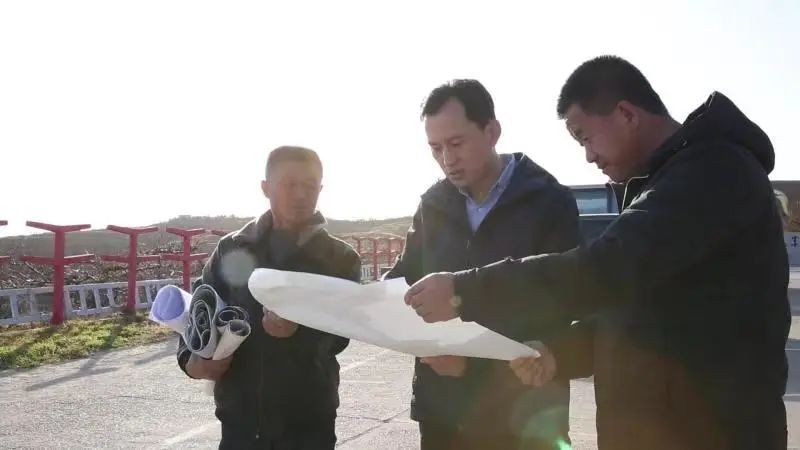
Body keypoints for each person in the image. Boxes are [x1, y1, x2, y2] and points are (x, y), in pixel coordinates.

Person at [403, 56, 791, 450]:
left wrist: (463, 290)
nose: (588, 155)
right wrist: (558, 354)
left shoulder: (712, 173)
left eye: (584, 136)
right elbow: (633, 314)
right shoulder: (661, 183)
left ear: (626, 114)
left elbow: (603, 269)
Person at [384, 79, 581, 449]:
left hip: (523, 418)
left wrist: (472, 363)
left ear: (492, 132)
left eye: (456, 143)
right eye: (436, 148)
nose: (447, 159)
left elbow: (558, 306)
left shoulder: (548, 201)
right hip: (444, 416)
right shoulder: (433, 205)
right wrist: (363, 300)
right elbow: (407, 283)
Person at [175, 146, 362, 450]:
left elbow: (342, 333)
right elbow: (199, 309)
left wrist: (298, 331)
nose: (300, 194)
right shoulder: (233, 248)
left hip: (309, 422)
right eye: (289, 184)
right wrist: (190, 360)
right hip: (240, 423)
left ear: (321, 189)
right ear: (265, 188)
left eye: (310, 186)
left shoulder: (339, 258)